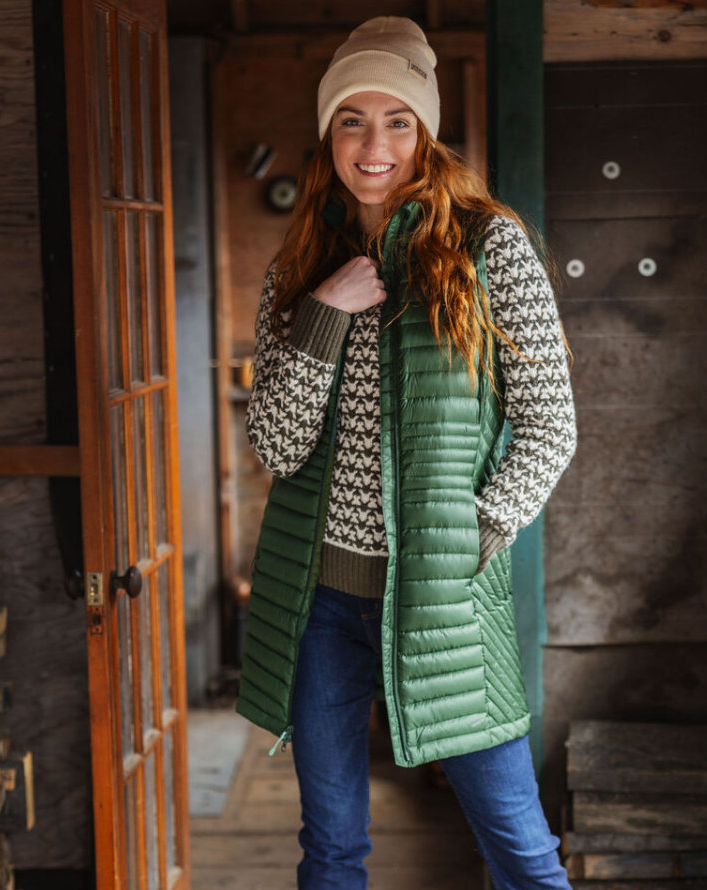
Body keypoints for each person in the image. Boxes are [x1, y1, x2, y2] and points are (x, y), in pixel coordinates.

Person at [236, 15, 578, 890]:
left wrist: (482, 530)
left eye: (397, 120)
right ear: (328, 134)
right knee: (330, 849)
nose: (374, 145)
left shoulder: (489, 247)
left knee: (521, 851)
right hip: (320, 604)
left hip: (442, 600)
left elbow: (550, 424)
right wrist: (323, 313)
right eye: (352, 120)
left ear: (425, 130)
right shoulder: (298, 268)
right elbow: (276, 445)